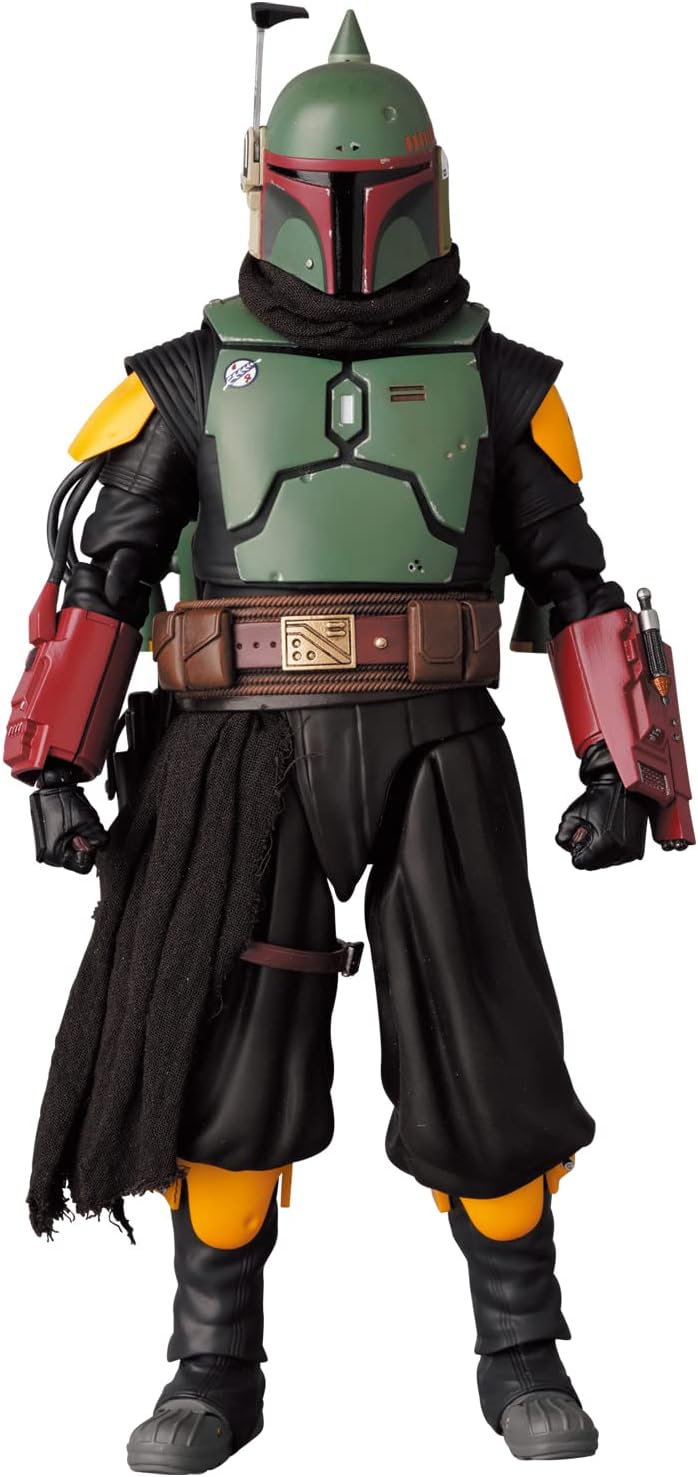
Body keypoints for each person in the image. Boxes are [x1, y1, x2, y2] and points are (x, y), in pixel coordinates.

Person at [5, 9, 692, 1470]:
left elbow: (575, 584)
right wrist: (54, 767)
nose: (349, 224)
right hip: (233, 751)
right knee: (217, 1054)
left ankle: (522, 1347)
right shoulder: (187, 380)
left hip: (437, 741)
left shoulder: (502, 385)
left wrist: (617, 768)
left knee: (485, 1048)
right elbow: (106, 580)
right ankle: (211, 1363)